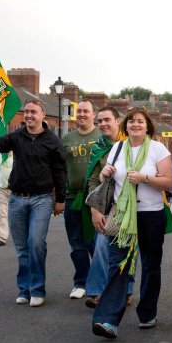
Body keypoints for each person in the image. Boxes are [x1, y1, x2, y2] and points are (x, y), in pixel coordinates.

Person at [0, 100, 67, 307]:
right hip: (17, 198)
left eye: (33, 112)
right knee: (22, 248)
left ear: (43, 115)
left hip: (42, 199)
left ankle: (37, 289)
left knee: (36, 243)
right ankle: (25, 289)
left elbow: (60, 172)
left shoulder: (52, 141)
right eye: (27, 112)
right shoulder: (16, 137)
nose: (29, 115)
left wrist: (60, 200)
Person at [91, 107, 172, 339]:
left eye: (140, 121)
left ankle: (147, 313)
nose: (135, 125)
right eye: (131, 122)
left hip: (151, 214)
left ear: (148, 126)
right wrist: (104, 172)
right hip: (122, 215)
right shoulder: (117, 148)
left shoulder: (158, 149)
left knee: (150, 265)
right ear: (125, 126)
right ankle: (108, 320)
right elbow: (104, 180)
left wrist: (144, 178)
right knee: (119, 265)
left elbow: (169, 183)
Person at [82, 106, 131, 308]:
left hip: (130, 204)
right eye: (100, 120)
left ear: (118, 121)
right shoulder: (98, 147)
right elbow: (93, 180)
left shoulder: (132, 143)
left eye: (107, 120)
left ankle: (125, 291)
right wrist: (94, 209)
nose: (102, 124)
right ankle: (97, 291)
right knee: (101, 244)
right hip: (106, 205)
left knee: (128, 248)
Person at [62, 100, 101, 300]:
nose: (82, 114)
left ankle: (99, 282)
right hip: (72, 198)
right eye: (80, 111)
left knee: (95, 243)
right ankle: (81, 282)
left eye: (86, 111)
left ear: (94, 114)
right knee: (76, 243)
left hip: (96, 197)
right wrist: (58, 197)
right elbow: (60, 169)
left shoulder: (101, 136)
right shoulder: (67, 138)